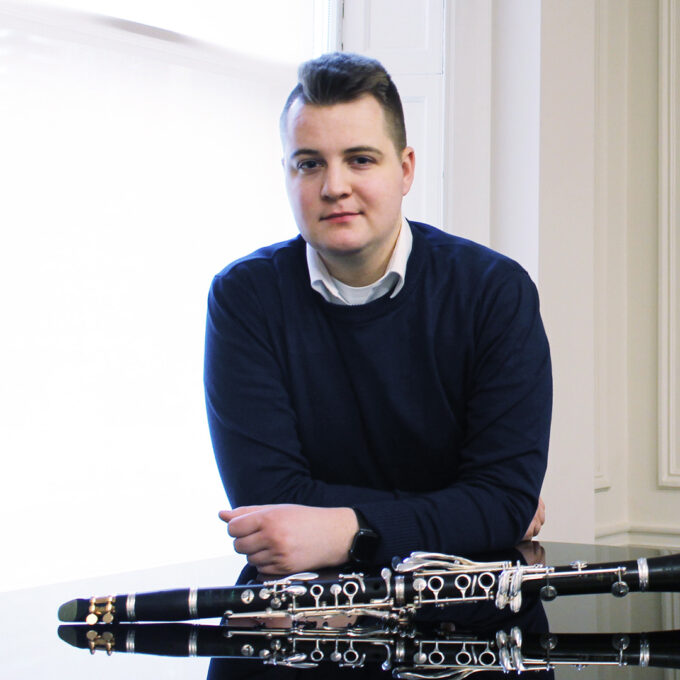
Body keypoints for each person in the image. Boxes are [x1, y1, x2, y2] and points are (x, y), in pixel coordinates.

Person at [204, 52, 551, 576]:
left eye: (360, 159)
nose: (334, 187)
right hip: (306, 609)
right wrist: (467, 511)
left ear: (405, 169)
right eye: (309, 163)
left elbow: (502, 501)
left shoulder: (495, 292)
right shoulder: (244, 297)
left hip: (469, 606)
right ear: (287, 174)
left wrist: (346, 529)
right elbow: (269, 501)